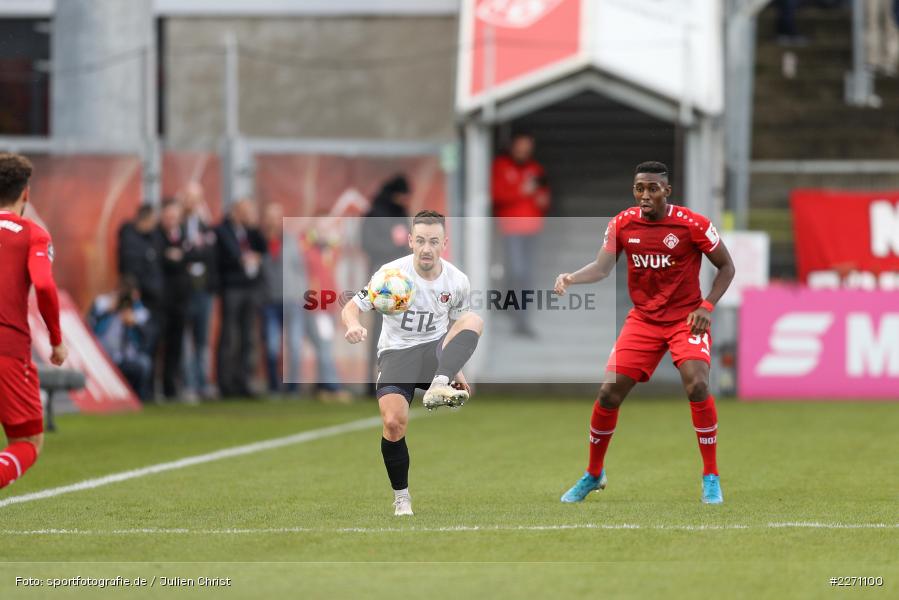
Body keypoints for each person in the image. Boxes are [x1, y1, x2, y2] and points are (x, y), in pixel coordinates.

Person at [555, 161, 735, 505]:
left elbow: (727, 267)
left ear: (667, 191)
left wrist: (706, 307)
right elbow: (602, 267)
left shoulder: (692, 225)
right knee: (608, 392)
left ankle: (710, 475)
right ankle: (594, 474)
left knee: (697, 384)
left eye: (653, 188)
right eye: (640, 188)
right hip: (644, 321)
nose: (645, 195)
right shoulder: (622, 223)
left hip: (686, 319)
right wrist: (571, 278)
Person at [341, 210, 484, 516]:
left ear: (444, 243)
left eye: (433, 241)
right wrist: (352, 325)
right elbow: (351, 306)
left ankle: (440, 383)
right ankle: (401, 497)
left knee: (474, 318)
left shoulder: (457, 280)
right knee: (393, 424)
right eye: (420, 240)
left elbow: (458, 327)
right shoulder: (391, 276)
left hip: (435, 352)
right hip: (397, 353)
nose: (426, 248)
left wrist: (454, 369)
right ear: (410, 241)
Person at [0, 152, 67, 491]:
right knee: (28, 441)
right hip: (8, 352)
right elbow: (43, 284)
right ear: (26, 193)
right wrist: (56, 339)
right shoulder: (32, 234)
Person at [491, 132, 550, 337]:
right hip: (510, 229)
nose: (523, 151)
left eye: (527, 147)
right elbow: (496, 195)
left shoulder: (535, 169)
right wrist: (521, 191)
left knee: (525, 275)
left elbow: (543, 197)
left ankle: (521, 320)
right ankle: (511, 310)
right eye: (520, 146)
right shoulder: (501, 166)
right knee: (516, 272)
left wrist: (542, 200)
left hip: (532, 230)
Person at [360, 175, 411, 395]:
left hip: (401, 281)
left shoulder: (399, 214)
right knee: (381, 334)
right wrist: (394, 248)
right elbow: (369, 244)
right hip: (382, 284)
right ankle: (373, 382)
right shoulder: (375, 215)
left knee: (401, 333)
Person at [215, 198, 266, 398]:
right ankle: (226, 383)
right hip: (232, 288)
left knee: (248, 337)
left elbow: (263, 248)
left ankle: (245, 381)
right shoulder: (223, 230)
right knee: (229, 336)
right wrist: (243, 258)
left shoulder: (250, 232)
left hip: (250, 288)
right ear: (236, 211)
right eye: (246, 211)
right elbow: (230, 255)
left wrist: (254, 226)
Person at [117, 203, 164, 394]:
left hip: (152, 299)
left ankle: (148, 389)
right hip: (141, 299)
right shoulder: (131, 242)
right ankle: (140, 390)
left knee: (149, 343)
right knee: (137, 345)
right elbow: (131, 271)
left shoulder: (151, 239)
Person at [260, 203, 303, 394]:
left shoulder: (291, 241)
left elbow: (301, 270)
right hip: (269, 301)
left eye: (277, 216)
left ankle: (293, 387)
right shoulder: (258, 241)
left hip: (292, 301)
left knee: (294, 346)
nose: (273, 221)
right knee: (271, 347)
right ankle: (273, 386)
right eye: (270, 216)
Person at [179, 182, 217, 401]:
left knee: (202, 338)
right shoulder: (179, 225)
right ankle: (188, 384)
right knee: (186, 338)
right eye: (190, 197)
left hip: (204, 289)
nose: (194, 202)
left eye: (197, 198)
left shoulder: (206, 225)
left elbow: (211, 255)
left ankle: (203, 382)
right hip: (185, 290)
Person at [157, 198, 191, 401]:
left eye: (174, 217)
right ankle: (151, 387)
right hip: (162, 300)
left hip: (181, 299)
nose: (172, 220)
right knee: (157, 342)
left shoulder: (184, 236)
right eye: (168, 216)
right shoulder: (157, 236)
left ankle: (171, 386)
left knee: (176, 344)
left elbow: (191, 256)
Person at [93, 291, 153, 402]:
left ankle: (138, 400)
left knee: (144, 363)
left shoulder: (138, 315)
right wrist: (106, 311)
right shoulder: (106, 314)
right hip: (107, 357)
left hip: (128, 358)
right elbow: (90, 327)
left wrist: (134, 324)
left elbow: (148, 339)